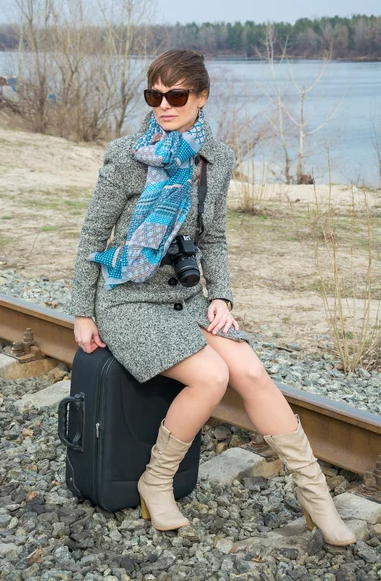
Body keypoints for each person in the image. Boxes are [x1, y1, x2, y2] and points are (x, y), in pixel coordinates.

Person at [69, 49, 356, 546]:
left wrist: (220, 295)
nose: (164, 104)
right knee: (212, 376)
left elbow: (214, 238)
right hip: (128, 296)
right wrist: (81, 311)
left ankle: (317, 500)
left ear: (201, 98)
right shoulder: (125, 155)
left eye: (176, 94)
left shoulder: (215, 158)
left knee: (250, 372)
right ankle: (155, 483)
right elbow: (93, 234)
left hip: (185, 295)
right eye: (154, 94)